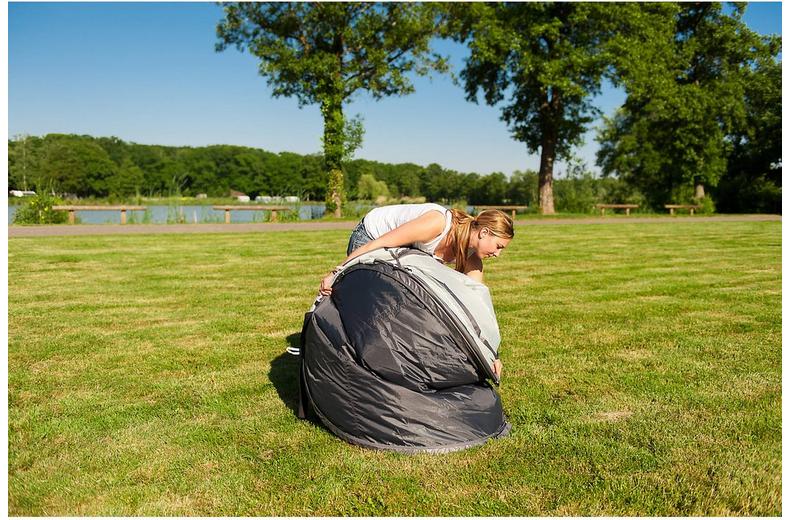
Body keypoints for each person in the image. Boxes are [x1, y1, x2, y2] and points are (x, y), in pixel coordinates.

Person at [318, 202, 514, 378]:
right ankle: (339, 361)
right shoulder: (437, 224)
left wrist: (492, 355)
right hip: (372, 237)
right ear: (484, 232)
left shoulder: (472, 259)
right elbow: (379, 244)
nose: (497, 254)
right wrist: (337, 272)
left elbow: (475, 307)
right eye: (498, 246)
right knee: (366, 310)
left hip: (405, 251)